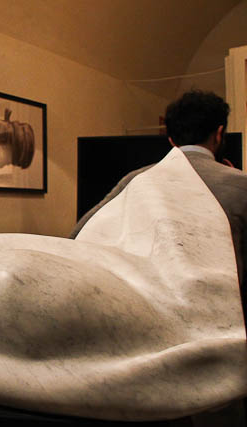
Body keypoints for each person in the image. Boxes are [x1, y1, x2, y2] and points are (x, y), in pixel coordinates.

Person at [71, 89, 247, 426]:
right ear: (219, 133)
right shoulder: (241, 185)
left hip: (145, 333)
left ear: (170, 138)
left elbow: (79, 236)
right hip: (224, 344)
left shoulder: (136, 180)